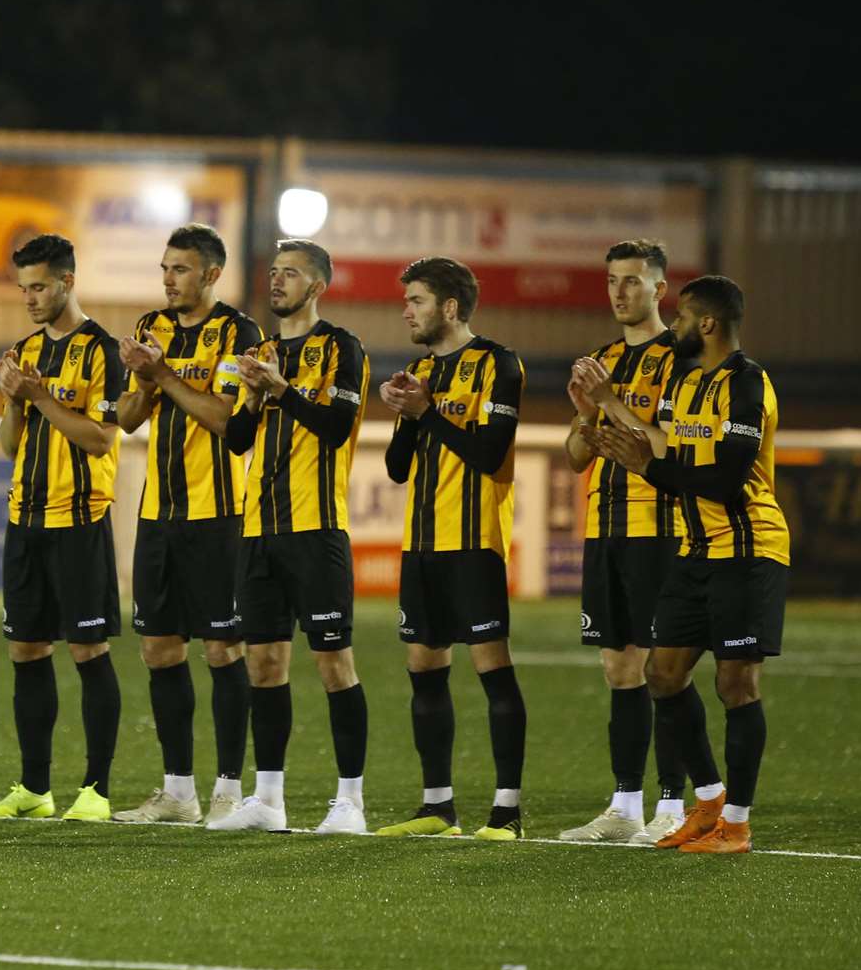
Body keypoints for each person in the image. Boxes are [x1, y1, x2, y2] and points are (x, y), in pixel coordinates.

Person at [579, 275, 788, 855]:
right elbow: (660, 445)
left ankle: (737, 826)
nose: (672, 327)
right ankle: (709, 802)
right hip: (695, 551)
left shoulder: (747, 385)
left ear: (708, 325)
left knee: (735, 682)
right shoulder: (685, 383)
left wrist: (649, 467)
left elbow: (725, 479)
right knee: (662, 676)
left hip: (748, 548)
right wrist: (606, 411)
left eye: (680, 318)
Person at [212, 239, 372, 835]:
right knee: (264, 664)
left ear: (318, 285)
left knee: (334, 663)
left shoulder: (342, 347)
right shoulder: (257, 352)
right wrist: (254, 396)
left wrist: (282, 390)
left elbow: (334, 426)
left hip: (315, 529)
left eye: (291, 274)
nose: (277, 281)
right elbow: (234, 439)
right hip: (259, 531)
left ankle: (350, 801)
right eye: (274, 272)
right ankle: (269, 799)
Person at [111, 223, 262, 825]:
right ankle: (178, 791)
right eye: (165, 269)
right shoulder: (151, 329)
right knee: (159, 649)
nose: (169, 279)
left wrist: (166, 375)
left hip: (218, 515)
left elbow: (226, 420)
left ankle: (227, 788)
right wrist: (146, 380)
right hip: (159, 514)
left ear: (211, 274)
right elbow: (125, 419)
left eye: (180, 269)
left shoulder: (239, 333)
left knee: (223, 650)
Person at [375, 256, 530, 841]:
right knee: (424, 665)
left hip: (474, 541)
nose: (406, 310)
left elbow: (490, 453)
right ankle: (437, 807)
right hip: (421, 543)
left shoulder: (498, 363)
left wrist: (428, 411)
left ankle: (507, 814)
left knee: (491, 666)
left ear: (449, 307)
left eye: (415, 300)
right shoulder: (419, 369)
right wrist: (409, 415)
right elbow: (395, 468)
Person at [0, 234, 125, 823]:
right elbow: (12, 445)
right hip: (26, 519)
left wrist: (39, 395)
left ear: (67, 281)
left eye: (39, 286)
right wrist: (15, 400)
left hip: (79, 518)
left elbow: (99, 438)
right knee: (26, 649)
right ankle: (35, 788)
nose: (30, 298)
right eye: (24, 288)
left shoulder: (102, 350)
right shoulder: (25, 349)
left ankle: (96, 790)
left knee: (88, 649)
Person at [557, 240, 689, 845]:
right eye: (613, 280)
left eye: (633, 281)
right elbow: (576, 453)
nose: (619, 292)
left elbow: (669, 447)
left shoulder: (683, 359)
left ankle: (673, 804)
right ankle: (624, 806)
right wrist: (587, 414)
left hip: (661, 529)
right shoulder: (604, 358)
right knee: (618, 668)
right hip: (605, 527)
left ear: (660, 289)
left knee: (666, 670)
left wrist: (610, 401)